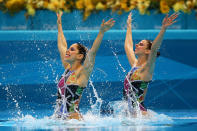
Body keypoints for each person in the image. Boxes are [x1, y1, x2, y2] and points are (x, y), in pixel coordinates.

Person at [54, 12, 115, 120]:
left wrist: (101, 32)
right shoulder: (68, 68)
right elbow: (62, 45)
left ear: (80, 56)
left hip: (74, 121)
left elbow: (92, 53)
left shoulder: (83, 72)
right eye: (69, 49)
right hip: (60, 119)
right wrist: (59, 25)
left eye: (72, 50)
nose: (67, 51)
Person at [123, 12, 178, 115]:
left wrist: (163, 29)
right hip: (133, 114)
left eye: (141, 44)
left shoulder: (147, 68)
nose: (136, 45)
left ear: (148, 51)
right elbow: (128, 47)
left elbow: (154, 49)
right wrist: (129, 25)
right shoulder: (135, 65)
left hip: (140, 114)